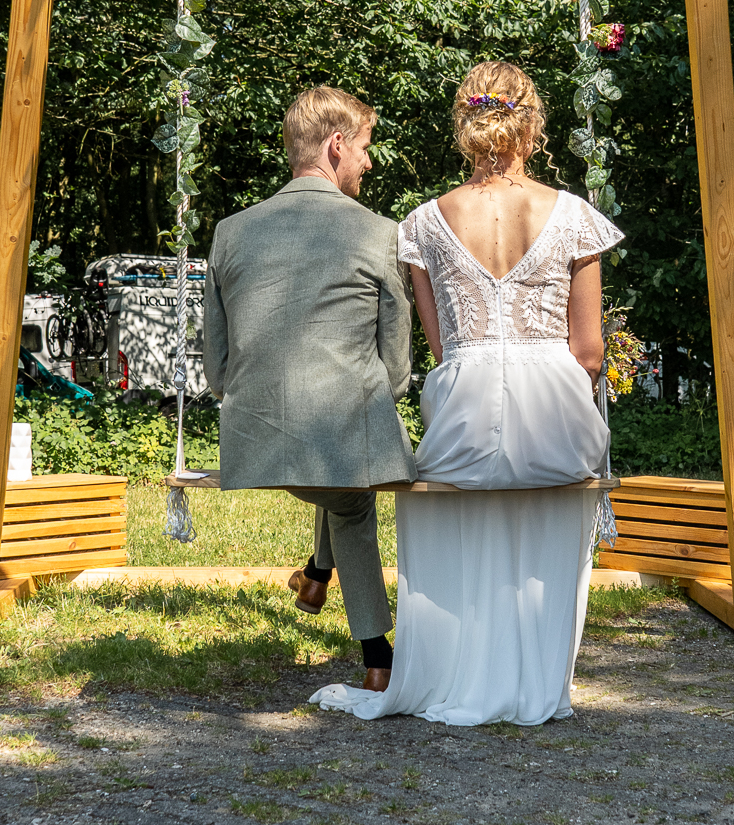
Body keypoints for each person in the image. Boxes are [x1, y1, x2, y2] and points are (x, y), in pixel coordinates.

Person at [311, 60, 622, 725]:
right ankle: (534, 686)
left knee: (450, 509)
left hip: (465, 398)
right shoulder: (573, 216)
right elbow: (589, 353)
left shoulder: (423, 222)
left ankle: (451, 671)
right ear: (529, 124)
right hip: (556, 410)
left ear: (464, 125)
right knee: (547, 512)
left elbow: (443, 349)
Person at [202, 85, 416, 690]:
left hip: (257, 433)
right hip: (341, 428)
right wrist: (385, 393)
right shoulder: (377, 232)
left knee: (337, 473)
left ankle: (316, 576)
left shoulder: (230, 231)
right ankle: (378, 658)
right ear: (337, 144)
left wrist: (245, 398)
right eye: (366, 148)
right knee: (352, 497)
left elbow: (216, 366)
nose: (369, 163)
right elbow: (396, 360)